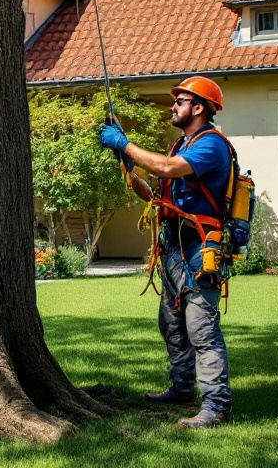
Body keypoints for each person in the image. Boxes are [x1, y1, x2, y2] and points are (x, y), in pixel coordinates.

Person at [99, 76, 234, 428]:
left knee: (201, 329)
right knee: (171, 324)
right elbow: (158, 193)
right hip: (173, 247)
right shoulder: (179, 146)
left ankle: (216, 407)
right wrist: (129, 169)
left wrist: (126, 145)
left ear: (199, 107)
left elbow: (166, 169)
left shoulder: (210, 145)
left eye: (180, 101)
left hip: (200, 246)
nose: (173, 106)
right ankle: (181, 389)